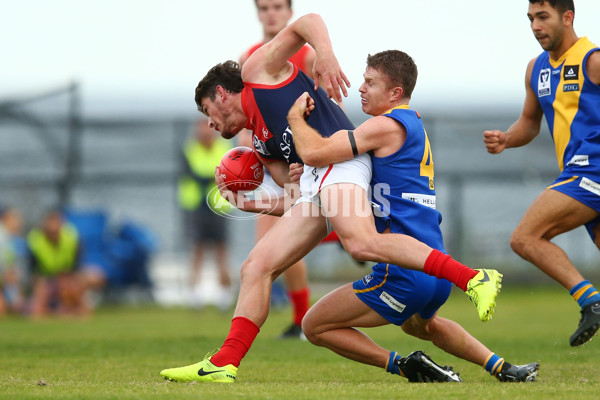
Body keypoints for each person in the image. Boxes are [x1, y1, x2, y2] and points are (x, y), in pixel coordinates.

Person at [160, 13, 502, 383]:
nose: (209, 124)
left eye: (208, 112)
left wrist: (324, 54)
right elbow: (299, 200)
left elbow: (307, 21)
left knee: (360, 243)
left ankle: (472, 278)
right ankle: (225, 362)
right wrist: (250, 203)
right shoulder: (260, 144)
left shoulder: (256, 72)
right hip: (318, 179)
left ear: (221, 95)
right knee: (255, 266)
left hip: (341, 162)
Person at [286, 50, 539, 382]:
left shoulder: (385, 124)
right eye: (363, 80)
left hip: (403, 269)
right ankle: (505, 369)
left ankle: (405, 365)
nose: (361, 88)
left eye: (370, 82)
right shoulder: (412, 124)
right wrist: (310, 173)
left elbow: (317, 151)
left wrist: (294, 120)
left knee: (314, 325)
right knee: (423, 326)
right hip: (434, 267)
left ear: (395, 93)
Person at [483, 0, 600, 347]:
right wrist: (506, 138)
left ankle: (590, 301)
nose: (535, 26)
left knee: (525, 237)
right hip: (577, 172)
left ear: (568, 17)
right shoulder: (536, 69)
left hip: (589, 171)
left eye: (543, 17)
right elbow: (529, 124)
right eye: (531, 18)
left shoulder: (592, 61)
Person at [237, 0, 315, 338]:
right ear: (258, 13)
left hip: (305, 164)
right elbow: (245, 116)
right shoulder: (249, 58)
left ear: (289, 12)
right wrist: (244, 156)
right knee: (273, 246)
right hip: (271, 165)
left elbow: (323, 107)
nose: (271, 13)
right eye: (265, 7)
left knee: (290, 240)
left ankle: (301, 319)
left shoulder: (308, 55)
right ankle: (301, 320)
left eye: (278, 7)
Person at [179, 118, 233, 309]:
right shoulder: (189, 150)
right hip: (196, 206)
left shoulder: (225, 148)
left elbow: (231, 174)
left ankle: (224, 295)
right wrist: (213, 177)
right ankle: (194, 295)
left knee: (221, 250)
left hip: (219, 206)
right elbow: (192, 175)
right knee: (197, 250)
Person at [27, 209, 89, 316]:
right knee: (40, 293)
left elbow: (77, 265)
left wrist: (69, 278)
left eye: (56, 222)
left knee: (75, 285)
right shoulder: (35, 240)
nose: (53, 226)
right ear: (44, 225)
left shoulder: (72, 237)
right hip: (45, 277)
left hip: (67, 275)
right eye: (50, 223)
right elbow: (33, 270)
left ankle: (74, 307)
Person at [0, 207, 25, 315]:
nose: (20, 223)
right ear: (6, 219)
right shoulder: (3, 237)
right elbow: (7, 271)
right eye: (16, 219)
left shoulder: (9, 238)